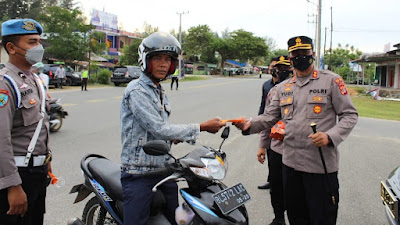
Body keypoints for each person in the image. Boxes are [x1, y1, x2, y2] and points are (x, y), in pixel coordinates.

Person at [234, 36, 358, 225]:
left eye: (304, 53)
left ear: (313, 54)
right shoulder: (283, 88)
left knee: (322, 218)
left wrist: (329, 136)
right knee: (296, 218)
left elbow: (350, 115)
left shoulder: (331, 81)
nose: (300, 57)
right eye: (295, 54)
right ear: (290, 57)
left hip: (320, 166)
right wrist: (248, 124)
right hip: (290, 166)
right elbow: (269, 118)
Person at [120, 31, 226, 225]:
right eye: (158, 58)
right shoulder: (137, 90)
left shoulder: (158, 90)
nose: (163, 64)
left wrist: (175, 137)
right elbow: (159, 129)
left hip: (163, 169)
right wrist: (202, 126)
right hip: (139, 173)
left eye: (168, 59)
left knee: (176, 220)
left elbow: (157, 131)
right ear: (146, 60)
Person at [0, 18, 52, 225]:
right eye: (31, 42)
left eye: (39, 42)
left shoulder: (33, 79)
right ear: (11, 48)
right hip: (18, 175)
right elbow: (1, 139)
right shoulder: (5, 83)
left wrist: (47, 161)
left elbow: (38, 127)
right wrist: (12, 185)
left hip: (37, 172)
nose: (38, 47)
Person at [258, 55, 293, 225]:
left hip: (297, 148)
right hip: (277, 144)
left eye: (286, 68)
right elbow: (266, 118)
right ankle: (278, 218)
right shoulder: (271, 89)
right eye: (279, 68)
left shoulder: (305, 89)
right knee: (276, 185)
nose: (282, 72)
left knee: (295, 188)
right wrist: (262, 145)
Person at [257, 57, 278, 190]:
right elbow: (263, 105)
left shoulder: (287, 84)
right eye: (272, 66)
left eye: (276, 66)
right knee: (270, 152)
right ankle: (272, 180)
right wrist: (260, 122)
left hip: (284, 125)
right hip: (269, 124)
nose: (273, 69)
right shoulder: (266, 85)